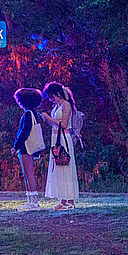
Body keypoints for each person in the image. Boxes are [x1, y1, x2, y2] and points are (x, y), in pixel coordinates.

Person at [41, 82, 79, 210]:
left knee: (66, 166)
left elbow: (63, 124)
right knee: (59, 167)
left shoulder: (66, 105)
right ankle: (62, 199)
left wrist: (49, 118)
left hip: (63, 138)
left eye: (52, 96)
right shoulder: (57, 106)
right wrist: (48, 119)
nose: (51, 99)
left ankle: (70, 200)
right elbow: (56, 124)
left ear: (57, 94)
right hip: (56, 137)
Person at [10, 88, 44, 212]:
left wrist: (16, 146)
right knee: (27, 173)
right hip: (27, 146)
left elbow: (24, 132)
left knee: (28, 173)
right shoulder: (32, 113)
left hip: (26, 146)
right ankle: (30, 200)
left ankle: (34, 201)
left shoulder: (28, 114)